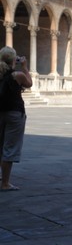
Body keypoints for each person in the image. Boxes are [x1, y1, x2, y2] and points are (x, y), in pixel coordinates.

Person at [0, 46, 32, 191]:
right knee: (10, 147)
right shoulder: (17, 75)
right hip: (14, 114)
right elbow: (29, 84)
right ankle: (5, 183)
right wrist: (25, 67)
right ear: (14, 59)